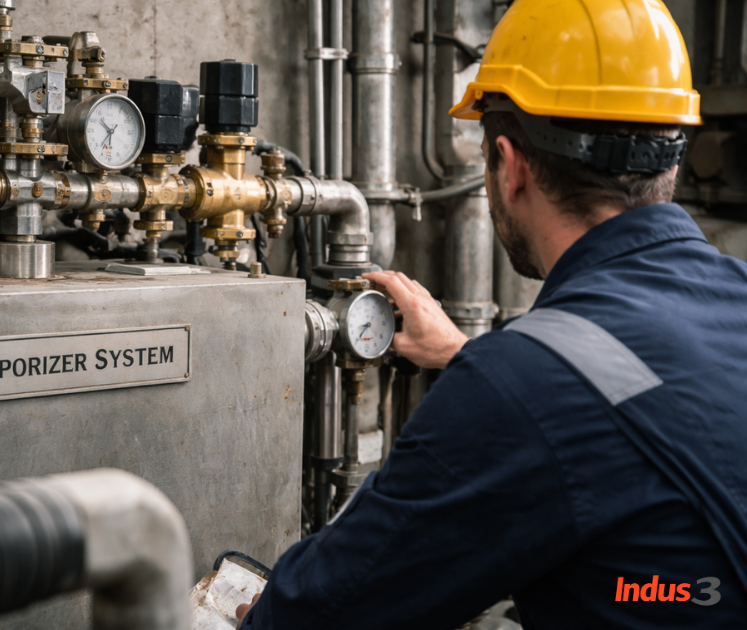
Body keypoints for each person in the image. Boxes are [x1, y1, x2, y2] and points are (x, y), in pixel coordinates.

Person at [236, 0, 747, 628]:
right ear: (673, 155)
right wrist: (468, 359)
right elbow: (647, 406)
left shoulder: (522, 390)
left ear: (509, 165)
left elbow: (328, 612)